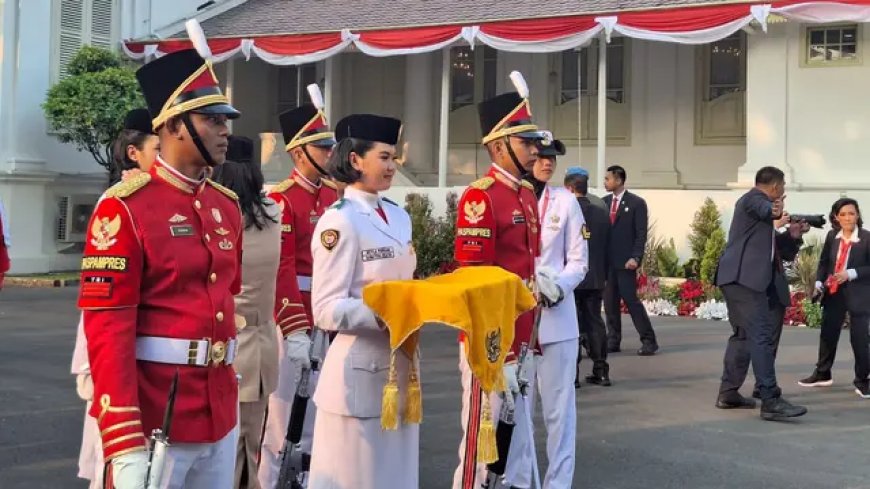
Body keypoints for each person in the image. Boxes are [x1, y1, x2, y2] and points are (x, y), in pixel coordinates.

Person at [79, 46, 243, 488]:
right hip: (156, 417)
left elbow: (227, 301)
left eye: (226, 120)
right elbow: (108, 330)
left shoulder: (224, 207)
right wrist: (123, 438)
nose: (225, 130)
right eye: (213, 119)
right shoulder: (125, 208)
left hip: (218, 408)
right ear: (174, 124)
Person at [306, 114, 417, 489]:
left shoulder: (400, 217)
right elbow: (324, 308)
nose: (392, 166)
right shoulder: (339, 222)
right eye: (384, 157)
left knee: (396, 476)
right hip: (358, 372)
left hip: (400, 367)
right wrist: (383, 313)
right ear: (355, 160)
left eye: (393, 158)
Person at [452, 71, 546, 489]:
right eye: (525, 142)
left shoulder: (525, 194)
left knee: (517, 442)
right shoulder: (482, 196)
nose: (534, 151)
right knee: (482, 443)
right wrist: (499, 353)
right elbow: (475, 282)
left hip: (522, 333)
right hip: (490, 342)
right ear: (497, 144)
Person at [70, 107, 159, 489]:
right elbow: (103, 298)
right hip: (111, 330)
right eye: (158, 145)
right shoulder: (119, 201)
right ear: (134, 152)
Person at [259, 88, 339, 489]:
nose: (329, 154)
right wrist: (294, 327)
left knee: (318, 415)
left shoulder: (334, 197)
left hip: (328, 316)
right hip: (296, 315)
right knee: (282, 416)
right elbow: (282, 266)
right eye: (321, 147)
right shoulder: (281, 200)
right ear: (297, 153)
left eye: (329, 147)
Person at [212, 137, 281, 489]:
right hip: (262, 345)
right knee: (247, 453)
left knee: (220, 458)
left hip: (225, 348)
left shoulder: (220, 218)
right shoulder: (272, 212)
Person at [715, 166, 809, 420]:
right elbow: (763, 208)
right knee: (760, 335)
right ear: (776, 187)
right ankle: (770, 399)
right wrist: (774, 209)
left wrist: (793, 235)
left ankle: (728, 392)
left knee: (744, 336)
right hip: (743, 280)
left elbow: (778, 250)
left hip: (743, 280)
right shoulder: (753, 199)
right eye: (783, 187)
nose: (784, 191)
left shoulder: (759, 223)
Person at [524, 136, 587, 489]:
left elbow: (578, 261)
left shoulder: (565, 202)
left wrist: (557, 288)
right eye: (542, 156)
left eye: (552, 158)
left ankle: (557, 484)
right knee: (518, 412)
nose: (548, 163)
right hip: (516, 319)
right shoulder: (511, 199)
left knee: (559, 412)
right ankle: (522, 478)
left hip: (556, 319)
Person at [798, 198, 870, 398]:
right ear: (836, 217)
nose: (848, 218)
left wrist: (852, 272)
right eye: (843, 214)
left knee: (860, 338)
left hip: (858, 293)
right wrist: (819, 282)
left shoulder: (866, 238)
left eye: (852, 213)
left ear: (857, 215)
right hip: (834, 292)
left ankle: (863, 380)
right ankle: (823, 373)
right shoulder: (832, 236)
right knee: (828, 334)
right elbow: (823, 263)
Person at [602, 165, 659, 355]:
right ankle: (613, 340)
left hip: (626, 262)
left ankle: (648, 340)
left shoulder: (636, 203)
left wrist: (636, 257)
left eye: (608, 179)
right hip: (607, 263)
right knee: (610, 303)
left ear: (618, 180)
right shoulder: (603, 203)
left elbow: (641, 233)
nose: (605, 182)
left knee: (631, 301)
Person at [565, 166, 612, 387]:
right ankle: (601, 370)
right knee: (595, 322)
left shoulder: (566, 211)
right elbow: (608, 245)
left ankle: (572, 375)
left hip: (572, 277)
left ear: (569, 187)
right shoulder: (602, 212)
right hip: (596, 276)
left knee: (571, 324)